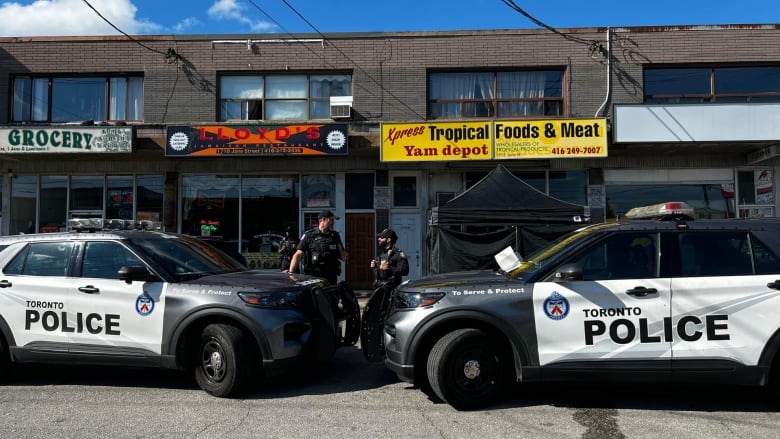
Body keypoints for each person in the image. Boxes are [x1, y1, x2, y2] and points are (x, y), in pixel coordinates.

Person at [287, 209, 348, 284]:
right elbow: (298, 254)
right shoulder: (309, 235)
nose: (333, 222)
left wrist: (340, 247)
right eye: (331, 220)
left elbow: (343, 257)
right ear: (323, 219)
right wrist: (291, 273)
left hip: (331, 276)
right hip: (313, 276)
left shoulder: (335, 235)